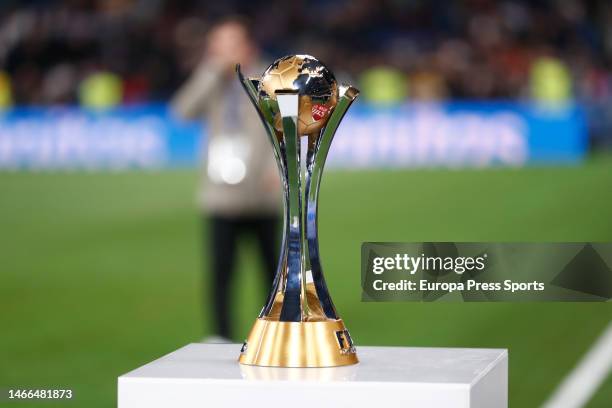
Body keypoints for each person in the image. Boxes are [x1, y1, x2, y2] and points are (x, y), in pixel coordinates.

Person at [171, 17, 281, 341]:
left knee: (272, 272)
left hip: (262, 193)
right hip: (221, 194)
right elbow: (181, 112)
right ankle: (220, 335)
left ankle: (275, 333)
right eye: (219, 44)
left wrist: (276, 169)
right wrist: (210, 73)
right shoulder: (211, 80)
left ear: (249, 45)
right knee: (221, 273)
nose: (226, 50)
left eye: (232, 42)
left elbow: (289, 129)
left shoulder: (269, 79)